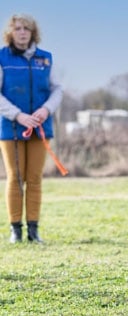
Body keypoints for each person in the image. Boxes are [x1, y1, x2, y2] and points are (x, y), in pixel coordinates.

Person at [0, 14, 63, 243]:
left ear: (33, 32)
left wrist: (45, 110)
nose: (23, 32)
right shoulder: (2, 57)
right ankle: (15, 229)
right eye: (18, 28)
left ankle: (33, 230)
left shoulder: (45, 59)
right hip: (12, 128)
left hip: (40, 127)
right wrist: (18, 115)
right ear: (11, 32)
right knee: (15, 177)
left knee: (34, 178)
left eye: (27, 28)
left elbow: (57, 89)